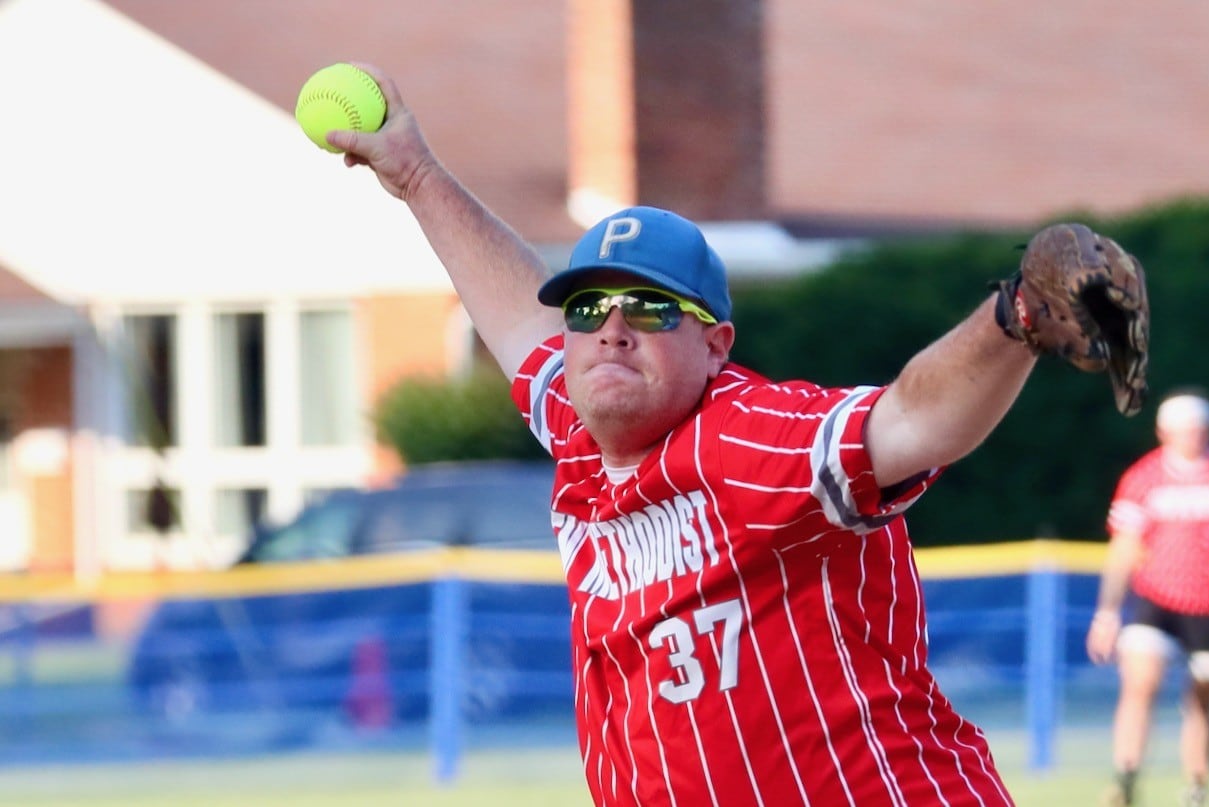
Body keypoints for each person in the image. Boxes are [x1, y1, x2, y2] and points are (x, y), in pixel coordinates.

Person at [326, 63, 1131, 807]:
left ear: (716, 344)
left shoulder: (743, 438)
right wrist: (417, 175)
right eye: (587, 308)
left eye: (648, 309)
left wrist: (1015, 319)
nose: (610, 329)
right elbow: (512, 314)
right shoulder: (580, 426)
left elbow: (910, 419)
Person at [1086, 390, 1209, 807]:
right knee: (1140, 684)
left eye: (1198, 430)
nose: (1192, 438)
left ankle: (1196, 787)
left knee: (1201, 699)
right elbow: (1125, 548)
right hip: (1156, 599)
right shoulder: (1143, 478)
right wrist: (1108, 612)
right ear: (1164, 432)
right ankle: (1126, 776)